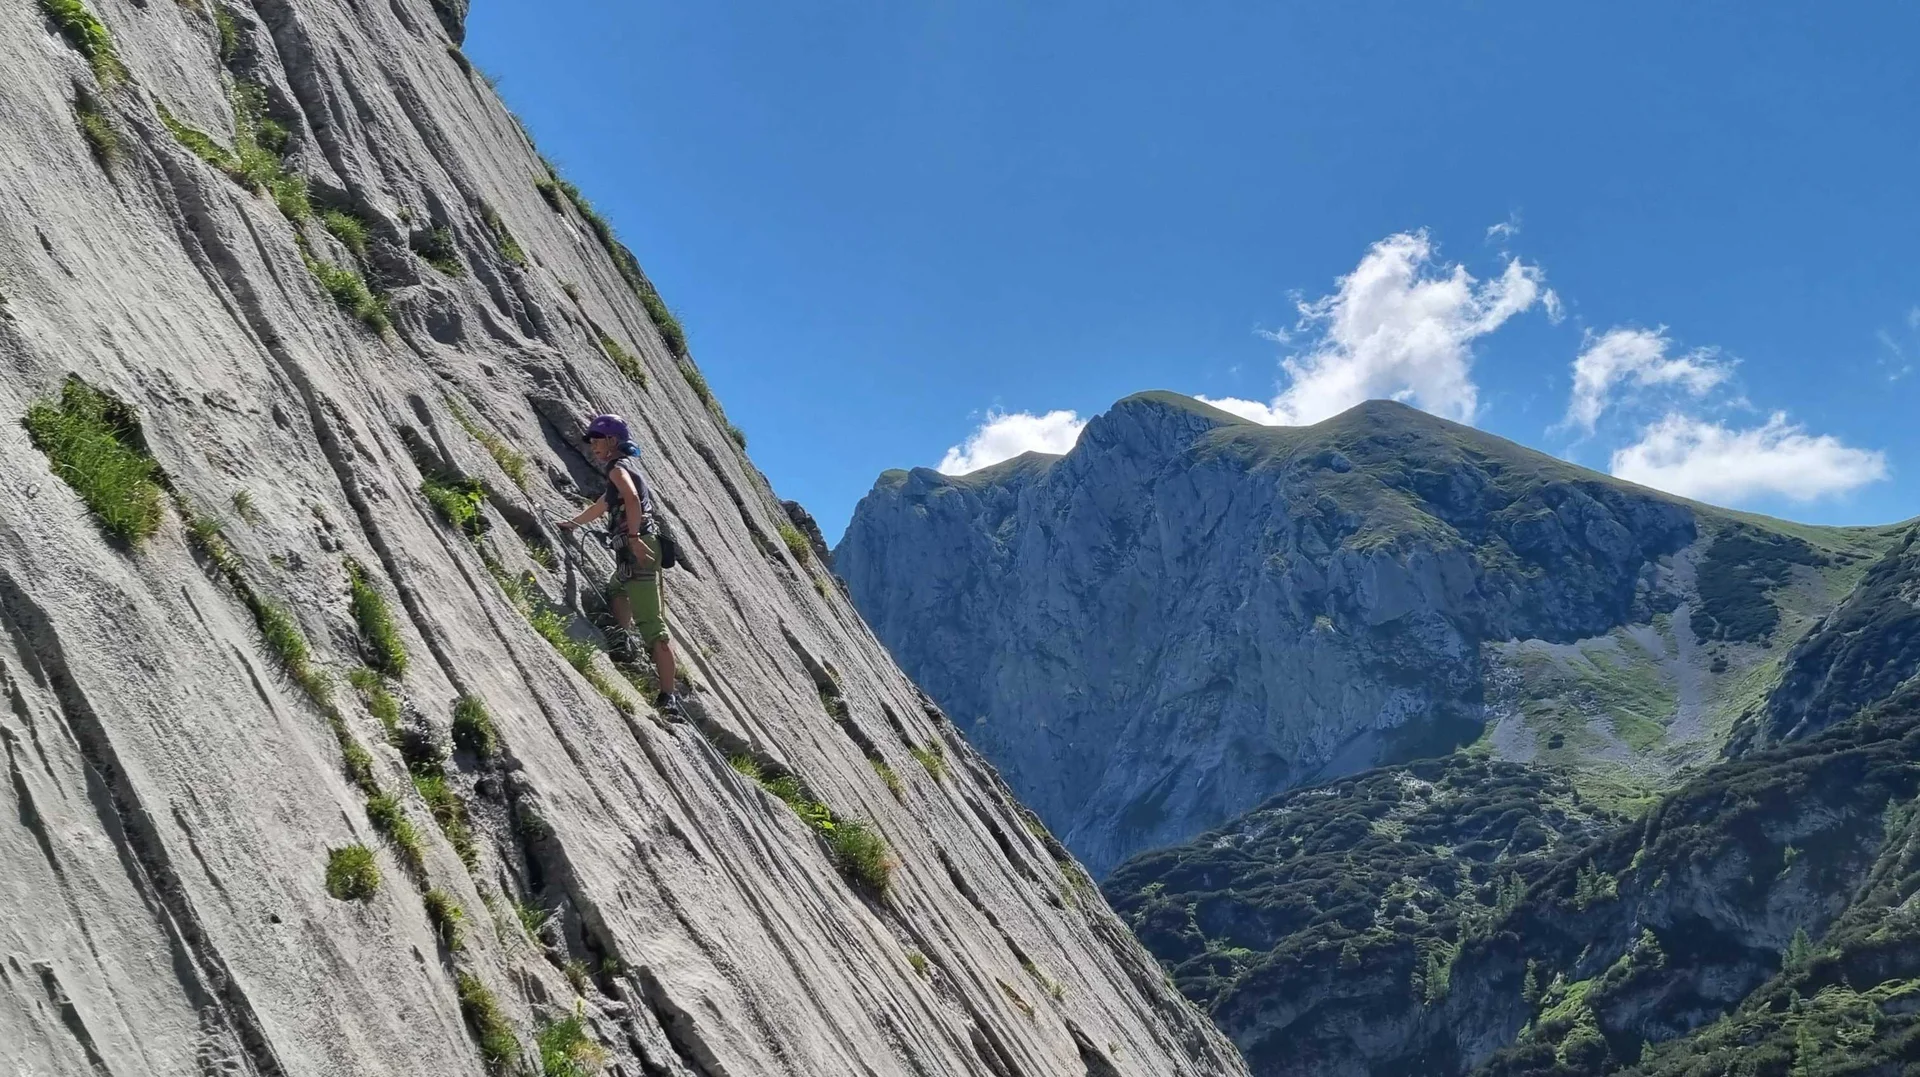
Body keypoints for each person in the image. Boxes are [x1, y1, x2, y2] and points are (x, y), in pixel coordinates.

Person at [557, 414, 681, 719]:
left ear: (612, 441)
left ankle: (669, 697)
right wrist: (572, 523)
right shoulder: (623, 469)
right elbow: (603, 505)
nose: (593, 446)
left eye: (597, 440)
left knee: (653, 626)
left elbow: (632, 497)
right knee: (616, 589)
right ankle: (621, 639)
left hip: (637, 548)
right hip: (634, 550)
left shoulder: (617, 469)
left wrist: (635, 537)